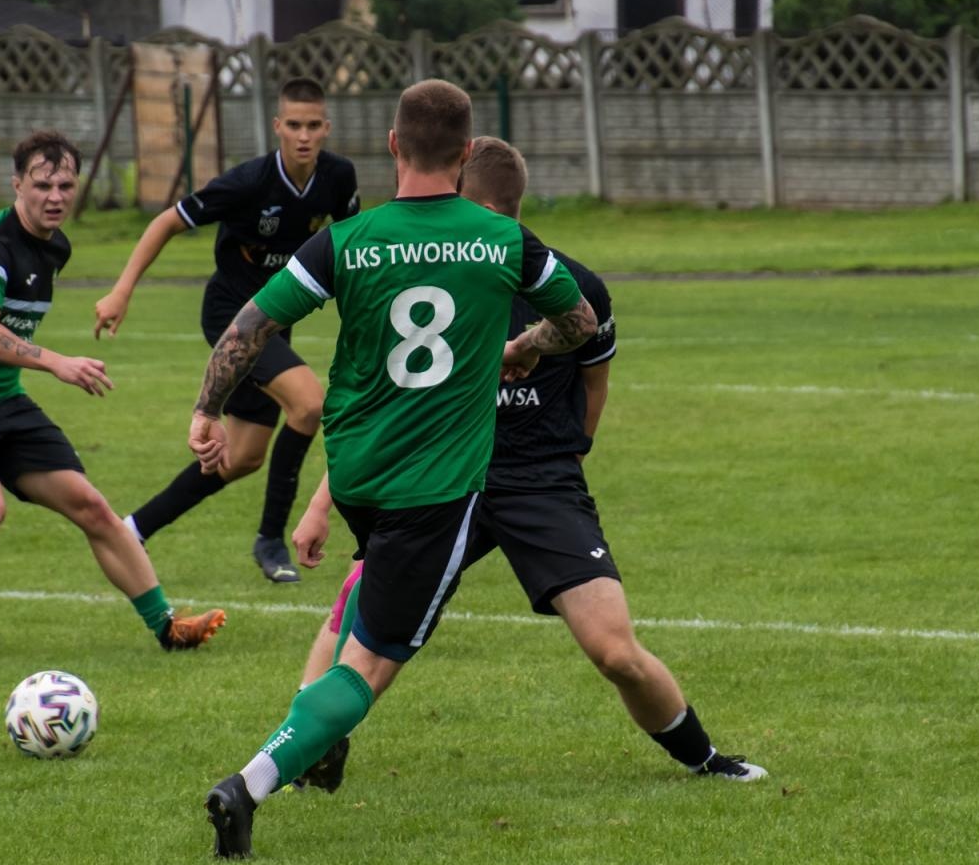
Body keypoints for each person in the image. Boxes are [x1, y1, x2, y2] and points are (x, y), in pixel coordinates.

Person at [190, 80, 598, 858]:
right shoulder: (502, 242)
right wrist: (524, 346)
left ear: (391, 145)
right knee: (373, 657)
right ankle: (250, 783)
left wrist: (207, 408)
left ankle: (318, 738)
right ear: (469, 153)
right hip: (436, 490)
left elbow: (251, 326)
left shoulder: (350, 240)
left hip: (358, 476)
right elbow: (580, 324)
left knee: (367, 617)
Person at [288, 137, 766, 794]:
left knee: (615, 651)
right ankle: (311, 748)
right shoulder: (442, 273)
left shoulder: (567, 285)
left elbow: (594, 381)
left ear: (478, 202)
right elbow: (385, 404)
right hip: (441, 477)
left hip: (538, 482)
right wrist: (319, 507)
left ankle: (704, 757)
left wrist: (570, 456)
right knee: (357, 627)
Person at [0, 130, 226, 667]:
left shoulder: (55, 247)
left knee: (93, 507)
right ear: (17, 184)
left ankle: (167, 626)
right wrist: (56, 361)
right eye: (42, 184)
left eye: (66, 184)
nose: (55, 196)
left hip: (3, 402)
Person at [92, 78, 361, 584]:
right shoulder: (248, 183)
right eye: (294, 125)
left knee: (239, 460)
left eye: (313, 125)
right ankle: (272, 541)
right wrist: (122, 289)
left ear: (326, 128)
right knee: (308, 404)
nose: (303, 136)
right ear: (278, 126)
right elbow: (166, 222)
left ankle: (133, 528)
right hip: (231, 317)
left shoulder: (338, 178)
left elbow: (351, 247)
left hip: (277, 324)